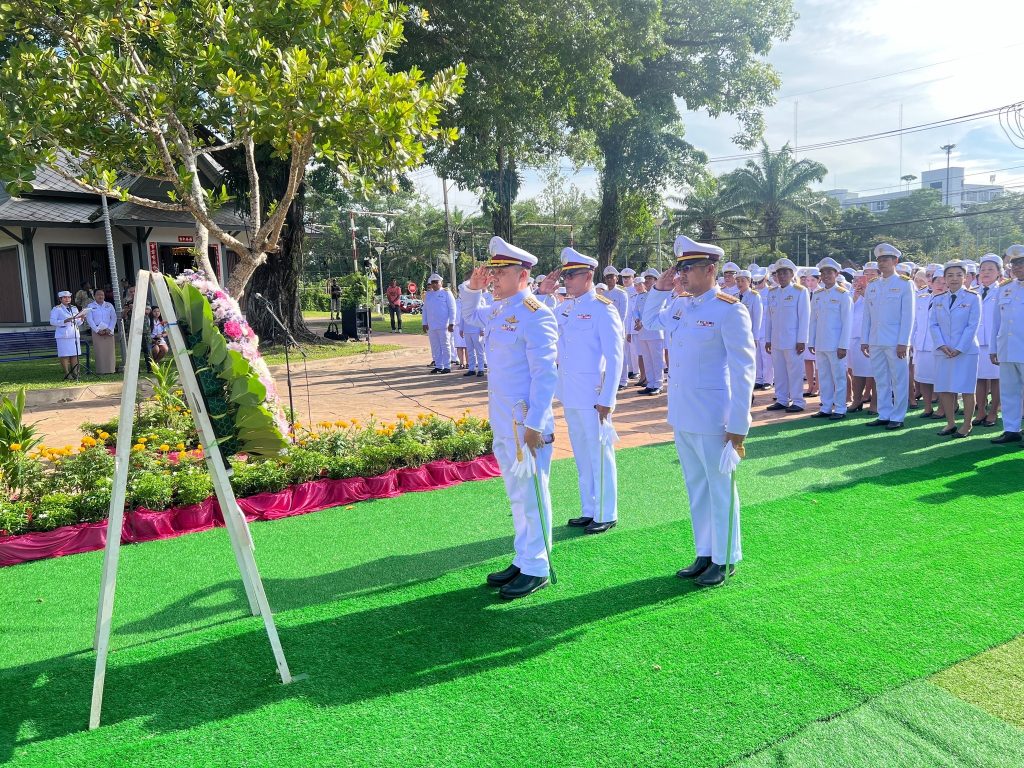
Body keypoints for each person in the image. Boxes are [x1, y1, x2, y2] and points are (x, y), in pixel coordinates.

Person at [642, 235, 755, 587]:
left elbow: (744, 370)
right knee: (697, 488)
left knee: (720, 489)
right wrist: (660, 290)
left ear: (710, 270)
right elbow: (649, 321)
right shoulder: (680, 306)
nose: (683, 274)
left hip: (713, 417)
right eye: (680, 268)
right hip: (683, 413)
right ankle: (705, 552)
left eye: (688, 268)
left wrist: (738, 424)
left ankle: (725, 557)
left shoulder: (729, 310)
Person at [462, 237, 559, 599]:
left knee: (532, 493)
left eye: (500, 272)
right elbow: (469, 317)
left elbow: (545, 374)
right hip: (504, 420)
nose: (493, 278)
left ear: (522, 275)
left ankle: (538, 567)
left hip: (526, 424)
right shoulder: (499, 310)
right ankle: (524, 557)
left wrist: (536, 424)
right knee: (517, 495)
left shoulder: (536, 313)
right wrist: (472, 288)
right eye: (492, 272)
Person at [537, 247, 623, 534]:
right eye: (565, 275)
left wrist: (608, 397)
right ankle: (589, 509)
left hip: (593, 395)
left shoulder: (603, 308)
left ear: (588, 276)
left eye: (572, 275)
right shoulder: (565, 308)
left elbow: (615, 358)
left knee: (599, 453)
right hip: (570, 393)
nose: (567, 280)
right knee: (583, 454)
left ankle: (606, 512)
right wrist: (543, 294)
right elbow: (538, 322)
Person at [862, 243, 915, 430]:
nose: (882, 263)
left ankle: (898, 416)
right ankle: (884, 414)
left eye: (886, 259)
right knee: (881, 379)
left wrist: (904, 342)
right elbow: (867, 316)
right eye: (880, 260)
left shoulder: (904, 284)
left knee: (899, 379)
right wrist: (865, 340)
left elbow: (908, 316)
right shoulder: (873, 285)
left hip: (895, 341)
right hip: (875, 340)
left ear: (895, 261)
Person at [930, 260, 980, 438]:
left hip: (965, 351)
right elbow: (933, 324)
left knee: (966, 388)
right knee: (945, 387)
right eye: (950, 275)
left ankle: (967, 424)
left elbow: (972, 326)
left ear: (965, 277)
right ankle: (950, 423)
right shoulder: (938, 299)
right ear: (944, 278)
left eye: (959, 275)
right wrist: (942, 345)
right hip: (943, 350)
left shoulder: (973, 298)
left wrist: (959, 348)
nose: (954, 278)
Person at [765, 257, 810, 413]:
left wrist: (802, 340)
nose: (782, 276)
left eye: (785, 273)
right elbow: (769, 318)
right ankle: (782, 399)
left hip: (793, 340)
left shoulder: (800, 291)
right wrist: (768, 339)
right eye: (779, 273)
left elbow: (804, 317)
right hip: (776, 339)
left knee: (795, 372)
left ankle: (798, 401)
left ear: (792, 274)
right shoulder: (772, 292)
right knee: (779, 372)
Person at [808, 258, 852, 419]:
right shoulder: (817, 294)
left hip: (836, 344)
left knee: (839, 377)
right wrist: (811, 341)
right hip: (820, 343)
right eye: (823, 273)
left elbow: (847, 322)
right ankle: (826, 406)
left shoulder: (843, 294)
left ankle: (840, 408)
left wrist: (843, 345)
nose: (826, 276)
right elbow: (813, 320)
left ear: (836, 274)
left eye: (829, 272)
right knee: (824, 376)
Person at [990, 244, 1024, 444]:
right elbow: (996, 322)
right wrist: (993, 348)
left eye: (1021, 262)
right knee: (1009, 391)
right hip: (1007, 348)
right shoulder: (1005, 288)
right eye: (1014, 263)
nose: (1017, 267)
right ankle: (1011, 429)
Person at [974, 253, 1004, 428]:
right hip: (977, 341)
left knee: (996, 379)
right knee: (979, 378)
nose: (985, 272)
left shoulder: (1003, 290)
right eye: (983, 269)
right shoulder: (973, 292)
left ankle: (993, 411)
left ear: (998, 273)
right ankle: (980, 411)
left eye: (990, 269)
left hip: (995, 342)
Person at [912, 269, 944, 418]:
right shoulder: (922, 298)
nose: (940, 285)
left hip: (939, 346)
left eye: (943, 282)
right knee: (923, 378)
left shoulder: (948, 300)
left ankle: (943, 408)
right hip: (921, 344)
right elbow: (915, 322)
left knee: (941, 379)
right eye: (937, 281)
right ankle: (927, 407)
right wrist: (912, 342)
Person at [632, 269, 666, 395]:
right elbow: (635, 310)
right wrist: (637, 319)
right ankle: (650, 383)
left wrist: (642, 322)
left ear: (656, 281)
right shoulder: (641, 296)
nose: (647, 281)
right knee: (647, 359)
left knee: (656, 359)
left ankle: (658, 384)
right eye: (646, 279)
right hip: (642, 332)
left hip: (654, 332)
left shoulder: (660, 295)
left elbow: (657, 311)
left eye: (650, 279)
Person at [601, 266, 630, 388]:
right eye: (607, 277)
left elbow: (623, 314)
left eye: (611, 277)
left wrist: (615, 326)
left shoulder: (621, 293)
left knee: (620, 355)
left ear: (616, 278)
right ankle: (612, 380)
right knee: (608, 356)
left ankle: (623, 380)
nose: (609, 279)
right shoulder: (603, 294)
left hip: (617, 329)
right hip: (605, 329)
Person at [49, 290, 87, 380]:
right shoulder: (57, 309)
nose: (67, 299)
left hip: (74, 334)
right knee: (65, 355)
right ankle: (67, 373)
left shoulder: (74, 308)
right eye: (65, 297)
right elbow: (52, 321)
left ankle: (75, 372)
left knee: (74, 354)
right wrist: (64, 321)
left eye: (69, 297)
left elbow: (77, 322)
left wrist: (81, 319)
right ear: (60, 299)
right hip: (63, 335)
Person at [736, 270, 764, 396]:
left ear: (749, 281)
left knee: (748, 365)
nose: (740, 283)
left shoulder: (754, 296)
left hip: (749, 337)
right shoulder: (735, 297)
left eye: (743, 280)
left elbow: (757, 319)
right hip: (736, 337)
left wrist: (755, 338)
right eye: (738, 280)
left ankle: (749, 392)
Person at [422, 273, 455, 374]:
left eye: (436, 282)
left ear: (441, 283)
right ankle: (439, 365)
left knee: (445, 345)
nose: (434, 284)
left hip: (444, 325)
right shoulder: (428, 294)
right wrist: (424, 322)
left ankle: (447, 366)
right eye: (433, 282)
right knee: (435, 346)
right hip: (431, 325)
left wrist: (452, 323)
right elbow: (425, 309)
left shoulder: (446, 293)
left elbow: (452, 309)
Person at [85, 288, 118, 374]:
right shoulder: (90, 306)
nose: (100, 296)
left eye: (102, 295)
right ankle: (101, 370)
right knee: (100, 351)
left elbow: (114, 318)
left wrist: (110, 328)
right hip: (97, 331)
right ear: (94, 296)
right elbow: (89, 319)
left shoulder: (109, 305)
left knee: (109, 351)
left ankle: (111, 369)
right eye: (98, 295)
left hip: (108, 331)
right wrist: (97, 330)